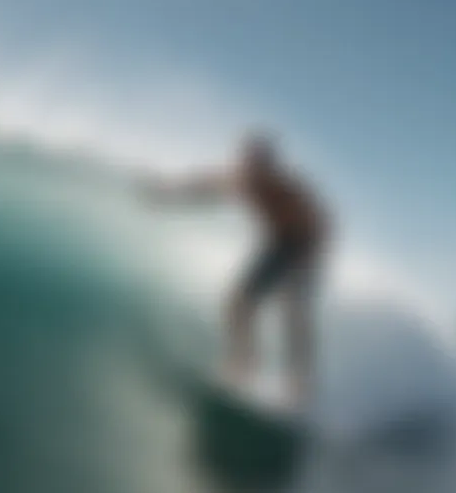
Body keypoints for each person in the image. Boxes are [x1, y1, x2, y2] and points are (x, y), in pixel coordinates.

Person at [139, 131, 330, 407]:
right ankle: (243, 366)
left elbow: (319, 223)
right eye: (251, 164)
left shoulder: (287, 188)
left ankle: (299, 382)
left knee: (293, 310)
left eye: (261, 166)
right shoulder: (240, 180)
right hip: (277, 243)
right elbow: (202, 188)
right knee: (237, 303)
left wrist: (308, 263)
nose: (255, 172)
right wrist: (165, 194)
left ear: (270, 166)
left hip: (305, 246)